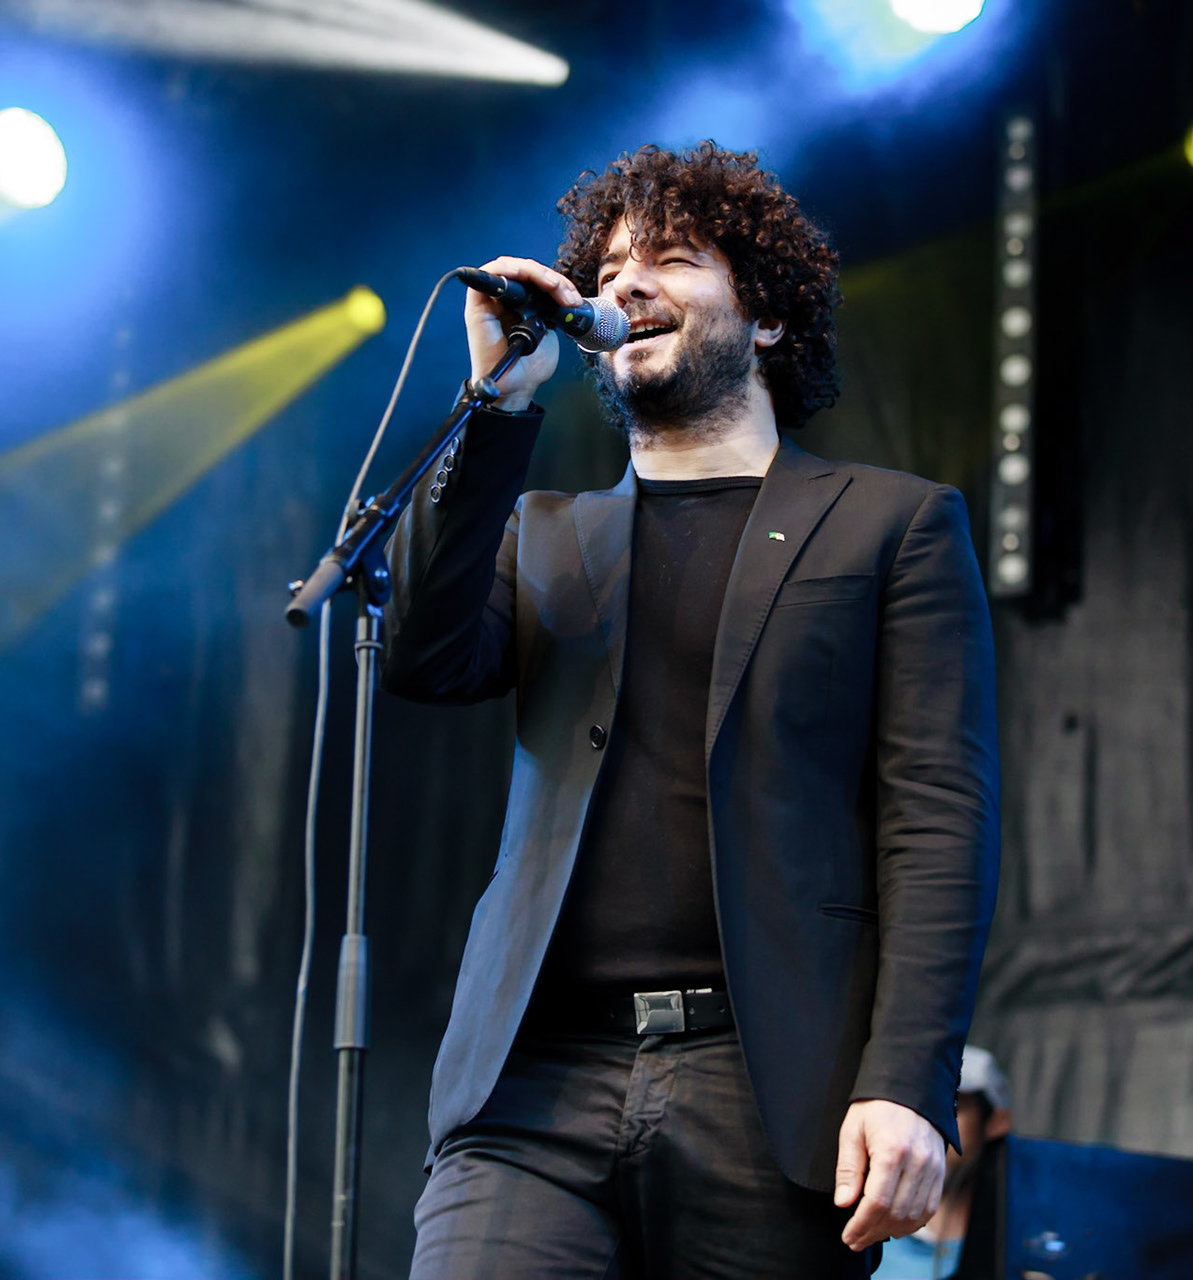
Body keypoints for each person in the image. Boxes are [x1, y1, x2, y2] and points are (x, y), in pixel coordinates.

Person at [381, 142, 1000, 1278]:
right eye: (611, 267)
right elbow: (422, 657)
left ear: (764, 320)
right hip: (533, 1082)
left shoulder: (889, 523)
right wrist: (497, 406)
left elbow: (939, 819)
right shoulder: (551, 531)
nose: (625, 283)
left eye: (670, 258)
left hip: (763, 1086)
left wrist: (905, 1077)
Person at [872, 1046, 1015, 1279]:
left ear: (997, 1122)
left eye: (952, 1104)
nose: (926, 1123)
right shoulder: (857, 1228)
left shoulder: (1018, 1239)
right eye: (916, 1104)